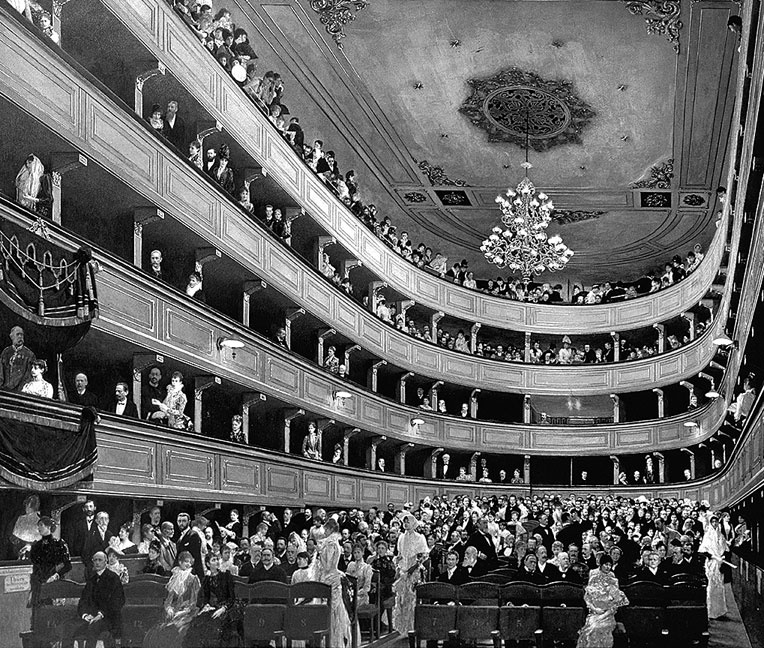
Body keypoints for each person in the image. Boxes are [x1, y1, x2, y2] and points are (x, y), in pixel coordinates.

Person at [143, 551, 201, 648]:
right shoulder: (175, 577)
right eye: (185, 561)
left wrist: (184, 611)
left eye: (189, 562)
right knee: (161, 628)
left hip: (188, 611)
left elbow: (194, 600)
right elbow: (169, 598)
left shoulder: (193, 579)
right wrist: (168, 607)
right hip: (175, 609)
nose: (188, 564)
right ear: (180, 562)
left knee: (177, 628)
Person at [70, 552, 125, 648]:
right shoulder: (92, 580)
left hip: (108, 618)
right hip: (91, 617)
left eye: (100, 560)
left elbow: (118, 601)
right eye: (95, 560)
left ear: (105, 562)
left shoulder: (113, 578)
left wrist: (100, 614)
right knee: (69, 626)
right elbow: (83, 601)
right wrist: (85, 615)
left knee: (93, 627)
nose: (97, 563)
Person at [185, 553, 240, 648]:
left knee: (216, 625)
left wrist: (223, 609)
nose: (217, 562)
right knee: (196, 623)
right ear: (208, 564)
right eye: (213, 560)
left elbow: (232, 597)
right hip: (212, 608)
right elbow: (204, 597)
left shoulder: (226, 575)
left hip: (227, 608)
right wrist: (205, 605)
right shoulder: (206, 579)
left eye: (217, 559)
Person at [576, 555, 629, 648]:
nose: (608, 567)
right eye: (606, 564)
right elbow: (588, 598)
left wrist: (603, 615)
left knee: (596, 627)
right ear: (601, 565)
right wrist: (595, 609)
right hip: (595, 613)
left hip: (608, 615)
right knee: (591, 628)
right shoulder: (594, 578)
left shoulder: (613, 580)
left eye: (610, 565)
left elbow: (615, 604)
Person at [392, 512, 428, 634]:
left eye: (408, 521)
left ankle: (413, 627)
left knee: (412, 599)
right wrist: (398, 565)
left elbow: (423, 556)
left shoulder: (419, 537)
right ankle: (403, 627)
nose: (406, 524)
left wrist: (413, 567)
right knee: (401, 599)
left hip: (414, 570)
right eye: (404, 522)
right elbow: (400, 554)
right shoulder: (401, 537)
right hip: (403, 569)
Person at [28, 516, 71, 618]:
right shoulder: (36, 546)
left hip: (53, 581)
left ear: (48, 527)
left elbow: (68, 565)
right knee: (38, 613)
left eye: (41, 525)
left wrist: (55, 575)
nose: (39, 528)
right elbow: (35, 565)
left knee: (53, 614)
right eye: (38, 526)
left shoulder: (59, 544)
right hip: (38, 583)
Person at [699, 514, 729, 619]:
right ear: (710, 523)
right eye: (713, 522)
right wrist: (713, 557)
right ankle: (711, 612)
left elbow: (725, 549)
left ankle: (719, 611)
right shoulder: (707, 535)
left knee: (719, 586)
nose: (715, 523)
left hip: (720, 563)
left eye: (716, 521)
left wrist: (722, 559)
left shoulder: (721, 535)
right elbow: (703, 550)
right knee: (711, 586)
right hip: (711, 563)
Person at [0, 325, 36, 391]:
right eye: (18, 334)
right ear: (11, 337)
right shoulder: (6, 352)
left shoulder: (29, 355)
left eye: (21, 335)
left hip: (20, 392)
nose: (20, 337)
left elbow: (28, 376)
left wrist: (20, 390)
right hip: (4, 390)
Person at [175, 513, 204, 580]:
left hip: (192, 572)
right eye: (179, 521)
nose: (181, 523)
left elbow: (195, 557)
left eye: (184, 521)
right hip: (183, 571)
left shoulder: (193, 535)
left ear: (189, 522)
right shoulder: (181, 536)